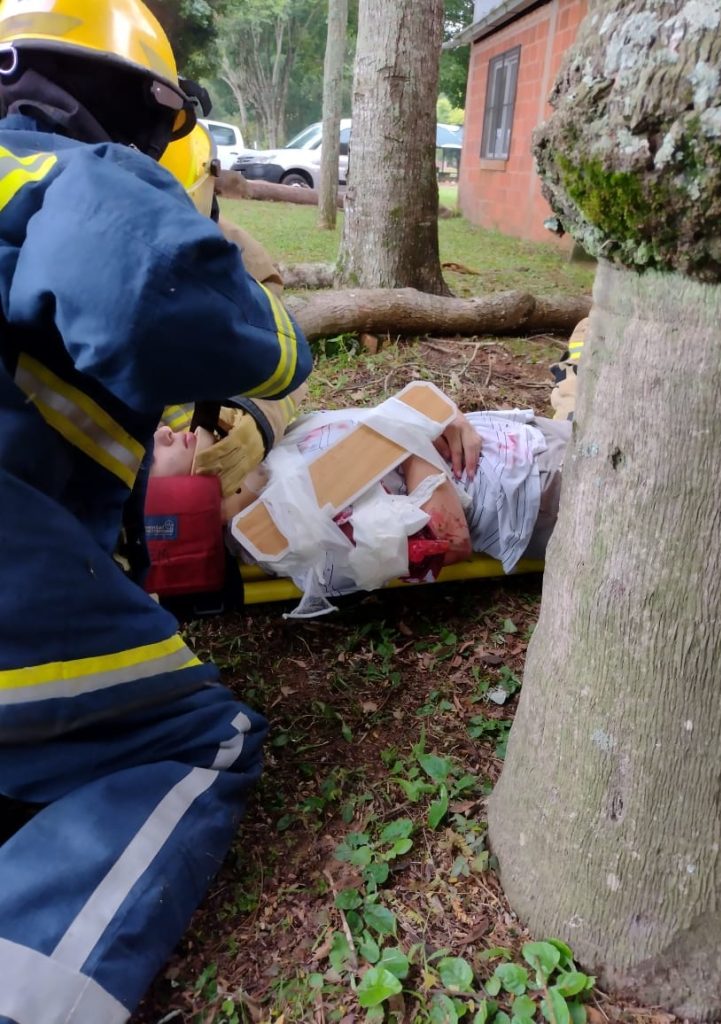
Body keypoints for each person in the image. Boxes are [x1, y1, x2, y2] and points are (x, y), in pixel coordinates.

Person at [0, 3, 311, 1023]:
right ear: (150, 115)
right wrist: (274, 352)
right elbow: (139, 287)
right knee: (194, 735)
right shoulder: (62, 168)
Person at [150, 389, 571, 615]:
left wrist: (435, 418)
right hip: (537, 489)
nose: (162, 434)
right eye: (149, 458)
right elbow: (445, 541)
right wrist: (412, 433)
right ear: (167, 506)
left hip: (520, 440)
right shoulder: (286, 535)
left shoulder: (263, 461)